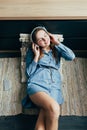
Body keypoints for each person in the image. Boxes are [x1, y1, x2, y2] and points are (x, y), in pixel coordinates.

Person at [25, 26, 75, 130]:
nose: (45, 39)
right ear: (36, 43)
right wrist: (36, 56)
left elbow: (71, 56)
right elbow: (29, 73)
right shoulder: (32, 52)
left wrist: (57, 42)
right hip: (37, 85)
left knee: (44, 120)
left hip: (54, 88)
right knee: (55, 108)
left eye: (45, 35)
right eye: (40, 39)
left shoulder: (56, 49)